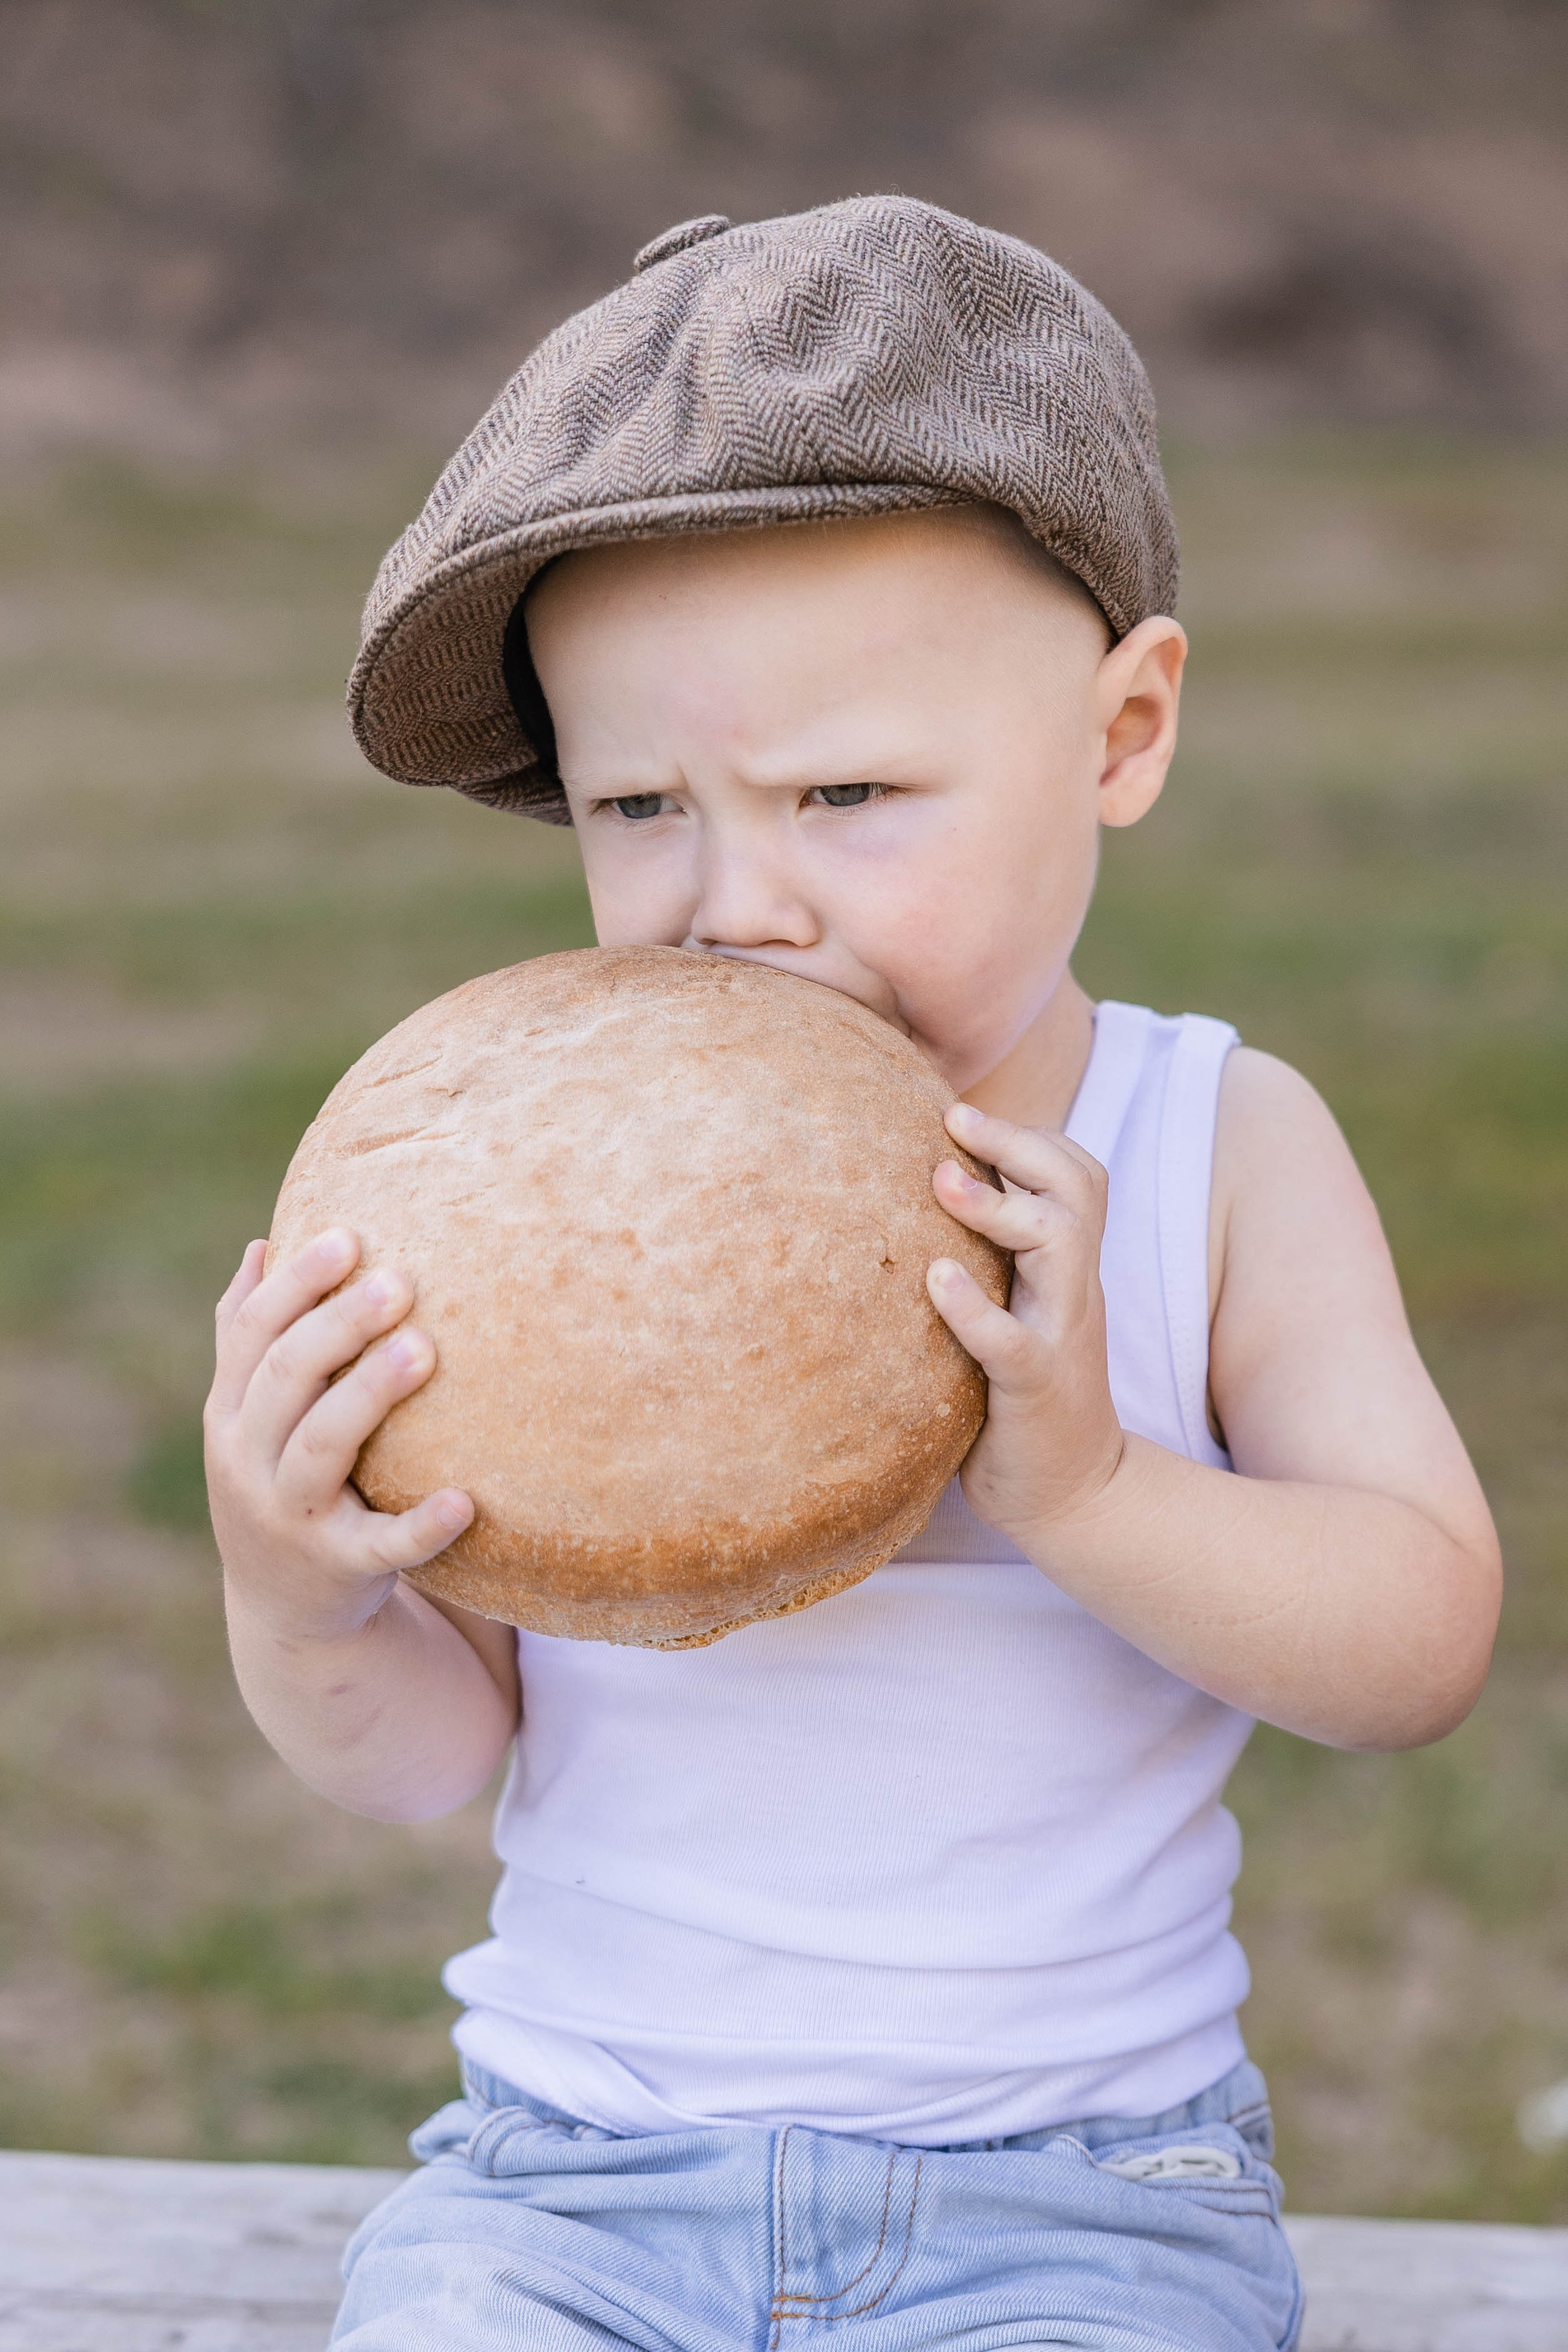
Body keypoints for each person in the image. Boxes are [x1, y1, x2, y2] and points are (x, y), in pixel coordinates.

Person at [204, 199, 1501, 2351]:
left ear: (1119, 733)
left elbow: (1415, 1640)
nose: (742, 905)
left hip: (1084, 2196)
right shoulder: (545, 1218)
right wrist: (303, 1582)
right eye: (638, 803)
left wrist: (1085, 1481)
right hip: (574, 2173)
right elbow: (436, 1756)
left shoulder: (1209, 1150)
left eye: (846, 791)